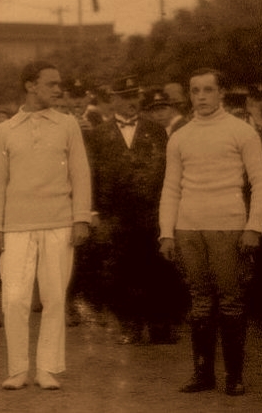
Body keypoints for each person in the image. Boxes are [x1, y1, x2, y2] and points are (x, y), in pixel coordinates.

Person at [158, 68, 262, 396]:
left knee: (232, 302)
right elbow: (170, 187)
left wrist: (253, 226)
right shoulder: (180, 136)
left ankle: (234, 377)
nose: (202, 97)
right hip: (188, 229)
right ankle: (203, 374)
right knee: (200, 301)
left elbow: (260, 182)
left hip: (229, 228)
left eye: (209, 90)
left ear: (221, 93)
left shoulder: (241, 131)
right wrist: (167, 232)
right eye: (196, 91)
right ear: (189, 95)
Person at [0, 61, 92, 390]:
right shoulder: (5, 130)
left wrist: (81, 218)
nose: (59, 89)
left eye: (59, 84)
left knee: (54, 298)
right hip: (16, 227)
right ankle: (18, 369)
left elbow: (80, 173)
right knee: (14, 299)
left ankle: (47, 368)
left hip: (59, 223)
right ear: (31, 86)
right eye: (52, 83)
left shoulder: (68, 124)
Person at [87, 76, 181, 345]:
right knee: (122, 270)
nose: (131, 102)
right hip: (115, 214)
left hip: (151, 212)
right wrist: (93, 212)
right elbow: (91, 175)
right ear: (113, 99)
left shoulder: (155, 130)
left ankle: (160, 324)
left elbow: (167, 172)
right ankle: (130, 325)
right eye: (125, 97)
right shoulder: (98, 135)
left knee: (156, 269)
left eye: (134, 96)